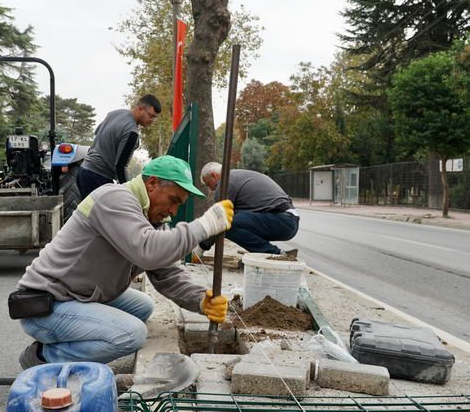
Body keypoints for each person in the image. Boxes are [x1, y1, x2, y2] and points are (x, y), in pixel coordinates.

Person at [16, 155, 234, 368]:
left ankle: (74, 336)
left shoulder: (150, 217)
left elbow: (167, 274)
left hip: (77, 294)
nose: (173, 211)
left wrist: (200, 301)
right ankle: (43, 357)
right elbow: (147, 251)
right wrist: (203, 227)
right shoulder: (114, 199)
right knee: (132, 334)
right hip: (46, 304)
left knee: (143, 307)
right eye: (173, 200)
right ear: (152, 183)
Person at [198, 162, 299, 256]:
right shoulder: (237, 176)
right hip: (288, 220)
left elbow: (219, 219)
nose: (210, 189)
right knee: (237, 220)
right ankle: (262, 253)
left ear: (214, 175)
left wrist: (201, 247)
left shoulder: (225, 183)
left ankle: (275, 254)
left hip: (282, 220)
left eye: (208, 184)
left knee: (229, 224)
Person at [76, 94, 162, 199]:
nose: (152, 121)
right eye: (151, 116)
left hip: (83, 171)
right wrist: (127, 191)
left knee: (90, 213)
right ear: (140, 109)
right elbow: (120, 166)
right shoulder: (131, 132)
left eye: (155, 118)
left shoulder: (113, 114)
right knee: (104, 215)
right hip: (98, 177)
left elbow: (97, 132)